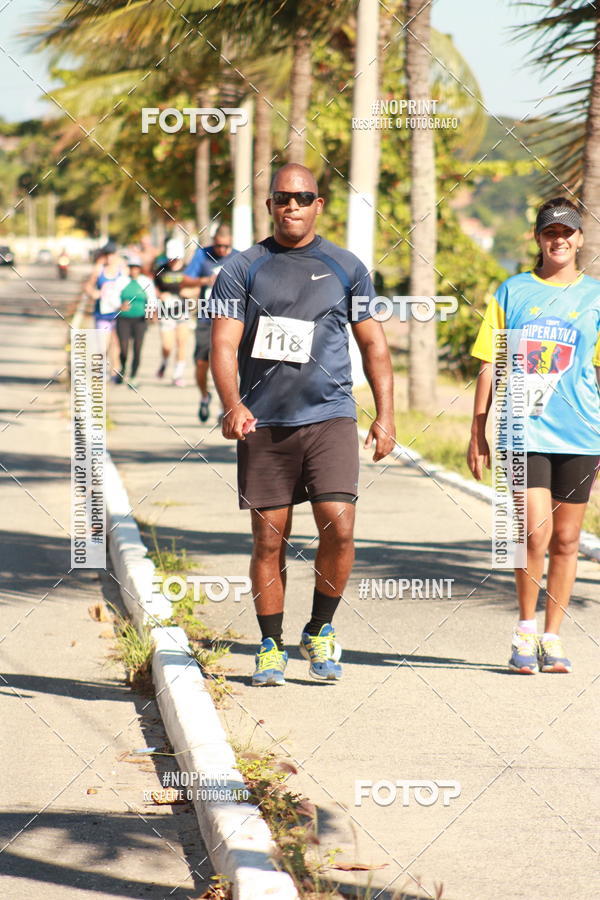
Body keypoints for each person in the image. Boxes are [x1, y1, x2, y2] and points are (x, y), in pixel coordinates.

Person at [210, 163, 396, 687]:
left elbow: (374, 344)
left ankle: (319, 629)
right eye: (282, 197)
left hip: (329, 416)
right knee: (270, 540)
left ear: (319, 204)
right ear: (269, 204)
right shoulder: (242, 268)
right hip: (264, 422)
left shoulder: (347, 266)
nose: (292, 205)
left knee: (340, 523)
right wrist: (232, 404)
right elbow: (222, 343)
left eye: (303, 197)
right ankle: (271, 644)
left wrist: (386, 414)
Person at [468, 197, 600, 674]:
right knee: (533, 533)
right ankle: (525, 630)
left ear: (579, 239)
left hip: (582, 432)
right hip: (523, 429)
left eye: (567, 232)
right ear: (539, 238)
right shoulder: (513, 291)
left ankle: (552, 637)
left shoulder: (596, 296)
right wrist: (478, 430)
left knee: (567, 540)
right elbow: (490, 362)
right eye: (550, 232)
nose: (558, 239)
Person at [184, 225, 238, 421]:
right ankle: (205, 395)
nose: (222, 250)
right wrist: (206, 280)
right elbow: (185, 280)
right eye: (218, 246)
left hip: (231, 318)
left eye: (226, 246)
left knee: (228, 362)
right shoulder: (202, 255)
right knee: (201, 362)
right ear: (214, 242)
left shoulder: (239, 258)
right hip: (206, 317)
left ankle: (226, 406)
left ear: (231, 243)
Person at [153, 238, 198, 386]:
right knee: (167, 345)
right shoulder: (160, 269)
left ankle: (177, 375)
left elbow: (197, 288)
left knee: (182, 343)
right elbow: (154, 288)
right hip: (165, 311)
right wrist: (160, 295)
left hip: (183, 311)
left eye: (175, 258)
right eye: (170, 258)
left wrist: (190, 292)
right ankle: (164, 362)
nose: (172, 261)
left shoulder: (188, 269)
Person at [83, 241, 126, 379]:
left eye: (111, 254)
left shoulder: (123, 270)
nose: (109, 258)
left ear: (116, 255)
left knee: (116, 344)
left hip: (119, 313)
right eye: (106, 255)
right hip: (102, 313)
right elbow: (88, 286)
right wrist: (93, 293)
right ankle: (101, 372)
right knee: (102, 345)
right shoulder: (99, 269)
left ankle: (115, 371)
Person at [114, 256, 157, 389]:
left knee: (137, 348)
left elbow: (152, 299)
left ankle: (133, 375)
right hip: (123, 319)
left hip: (140, 319)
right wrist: (119, 305)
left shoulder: (146, 281)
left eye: (136, 268)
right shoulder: (121, 281)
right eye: (132, 267)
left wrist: (151, 313)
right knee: (124, 348)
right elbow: (113, 297)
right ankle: (123, 367)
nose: (134, 270)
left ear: (139, 269)